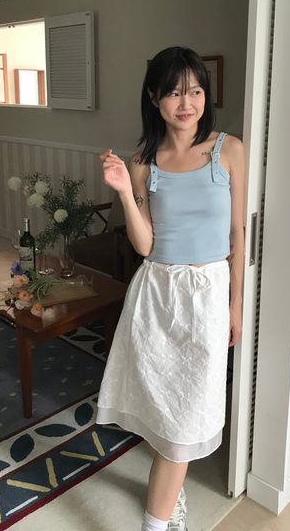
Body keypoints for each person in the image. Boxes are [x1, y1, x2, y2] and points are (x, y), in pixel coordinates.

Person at [96, 46, 245, 531]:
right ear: (154, 97)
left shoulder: (229, 150)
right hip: (157, 295)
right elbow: (145, 245)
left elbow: (238, 233)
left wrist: (236, 305)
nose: (187, 103)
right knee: (164, 410)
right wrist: (125, 191)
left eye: (196, 91)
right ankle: (167, 506)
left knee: (186, 418)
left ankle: (155, 520)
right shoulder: (142, 162)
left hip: (208, 295)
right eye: (175, 93)